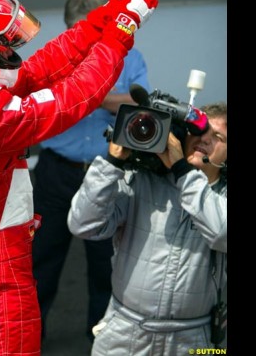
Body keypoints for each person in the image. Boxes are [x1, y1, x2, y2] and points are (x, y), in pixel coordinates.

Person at [0, 0, 166, 355]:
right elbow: (74, 97)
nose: (9, 52)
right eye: (0, 45)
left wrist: (101, 21)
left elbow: (39, 71)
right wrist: (121, 32)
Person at [31, 0, 151, 343]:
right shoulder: (57, 56)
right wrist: (102, 98)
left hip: (107, 172)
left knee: (105, 264)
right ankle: (29, 339)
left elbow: (138, 102)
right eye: (76, 30)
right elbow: (43, 98)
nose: (85, 39)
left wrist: (91, 95)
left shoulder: (131, 57)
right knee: (41, 259)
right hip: (56, 170)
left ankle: (102, 340)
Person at [67, 102, 227, 355]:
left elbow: (221, 232)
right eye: (199, 130)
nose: (204, 139)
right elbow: (83, 225)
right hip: (124, 328)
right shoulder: (142, 178)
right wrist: (112, 163)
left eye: (218, 137)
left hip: (195, 339)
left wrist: (182, 172)